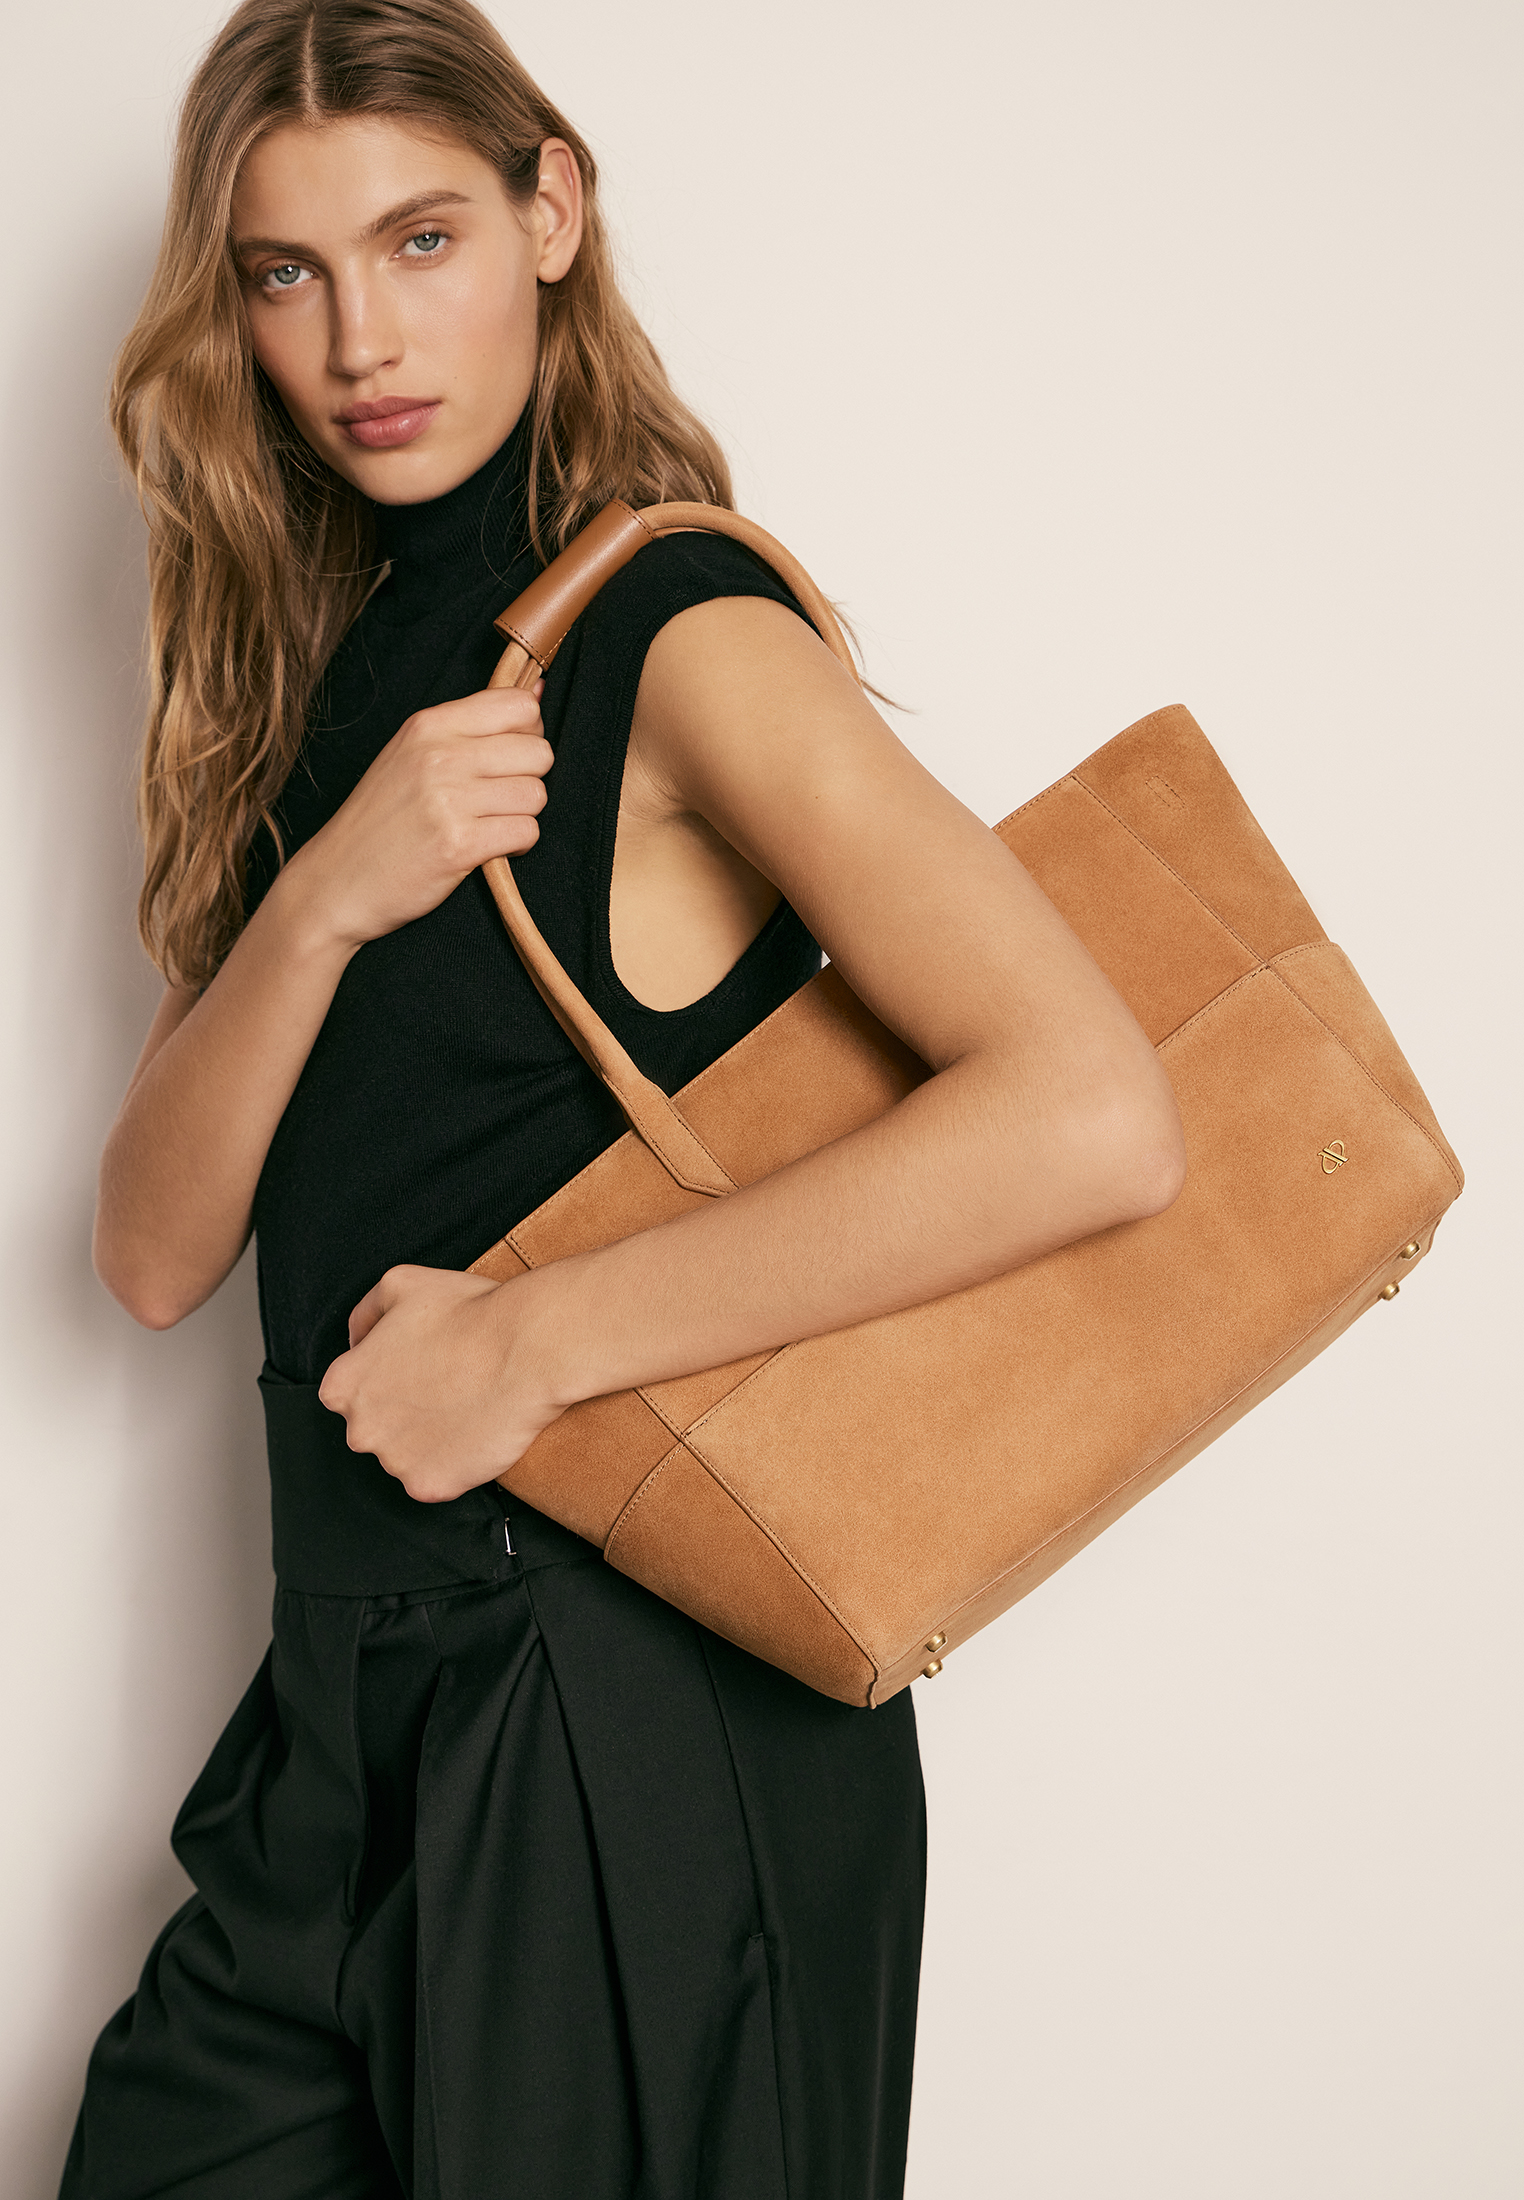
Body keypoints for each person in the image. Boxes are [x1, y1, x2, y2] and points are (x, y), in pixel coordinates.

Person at [64, 1, 1186, 2193]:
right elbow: (151, 1251)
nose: (360, 339)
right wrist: (325, 897)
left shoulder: (673, 624)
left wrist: (530, 1341)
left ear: (550, 211)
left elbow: (1089, 1109)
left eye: (422, 239)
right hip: (344, 1701)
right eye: (288, 272)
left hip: (637, 1702)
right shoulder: (311, 688)